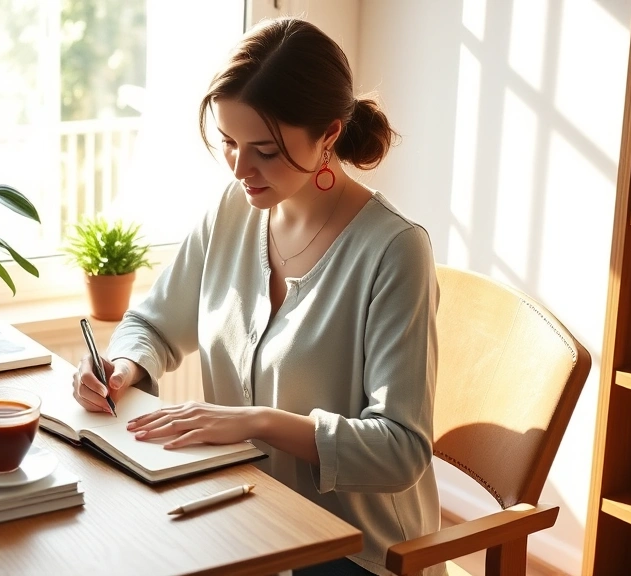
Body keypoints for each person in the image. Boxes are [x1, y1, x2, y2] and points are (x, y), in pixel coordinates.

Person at [71, 17, 441, 576]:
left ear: (329, 137)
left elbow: (400, 450)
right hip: (245, 519)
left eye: (264, 150)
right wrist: (120, 368)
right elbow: (152, 325)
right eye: (228, 142)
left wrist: (256, 421)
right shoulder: (233, 210)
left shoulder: (395, 250)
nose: (241, 169)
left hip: (353, 551)